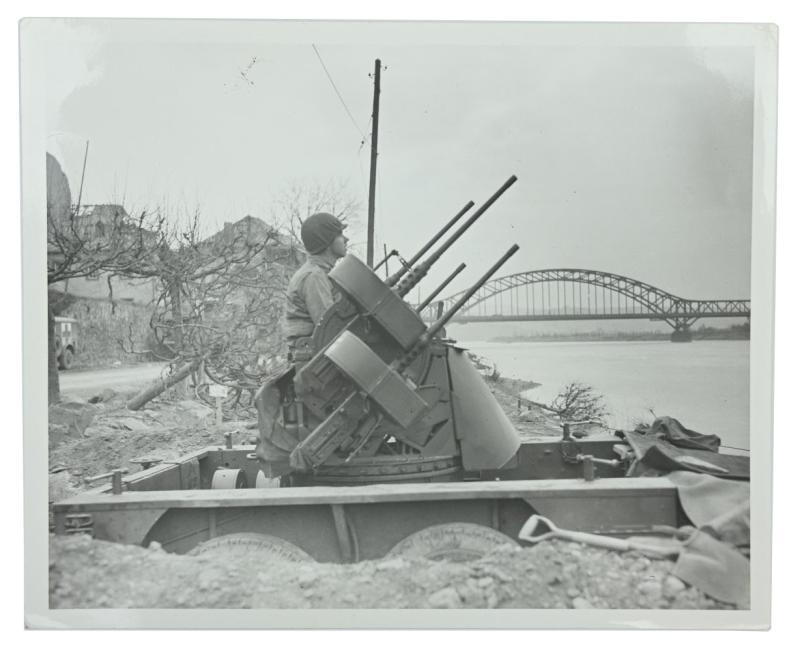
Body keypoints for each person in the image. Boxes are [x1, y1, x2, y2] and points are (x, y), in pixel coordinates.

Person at [284, 212, 348, 357]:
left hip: (314, 353)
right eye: (340, 234)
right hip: (312, 357)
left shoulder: (321, 273)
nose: (346, 239)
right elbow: (330, 329)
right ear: (327, 241)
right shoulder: (314, 276)